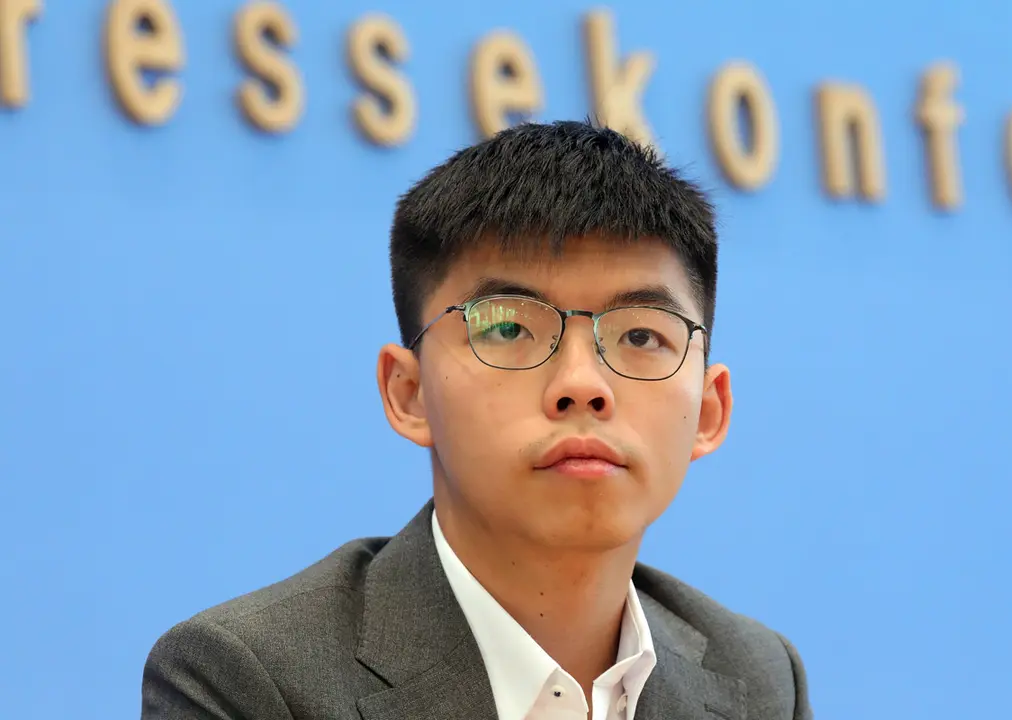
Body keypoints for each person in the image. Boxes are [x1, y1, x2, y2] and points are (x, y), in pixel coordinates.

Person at [141, 120, 813, 720]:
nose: (583, 385)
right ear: (408, 392)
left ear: (711, 410)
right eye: (509, 328)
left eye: (641, 337)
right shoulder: (250, 679)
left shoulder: (758, 680)